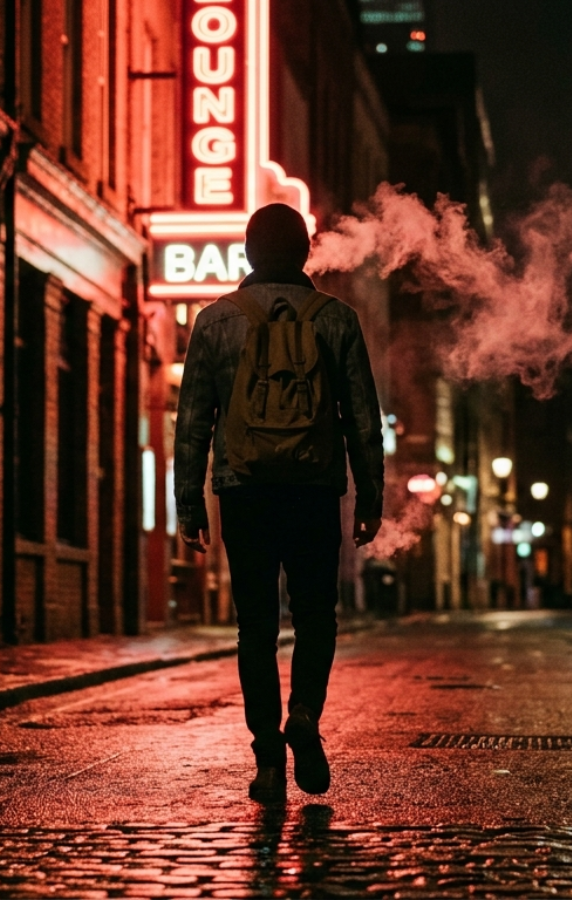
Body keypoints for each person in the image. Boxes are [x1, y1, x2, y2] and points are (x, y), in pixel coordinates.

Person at [174, 203, 385, 803]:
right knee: (316, 615)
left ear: (248, 253)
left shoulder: (216, 320)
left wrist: (189, 506)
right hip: (314, 490)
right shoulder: (336, 319)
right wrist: (369, 497)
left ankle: (267, 755)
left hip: (243, 490)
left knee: (256, 626)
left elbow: (192, 423)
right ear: (304, 253)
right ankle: (305, 716)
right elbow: (363, 419)